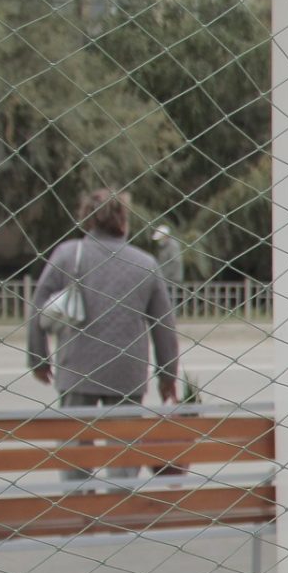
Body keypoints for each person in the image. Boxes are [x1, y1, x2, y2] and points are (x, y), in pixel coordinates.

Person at [26, 186, 180, 481]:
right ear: (123, 221)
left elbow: (38, 309)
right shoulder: (146, 265)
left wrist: (38, 359)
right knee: (124, 456)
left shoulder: (67, 255)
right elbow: (164, 327)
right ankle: (118, 517)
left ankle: (80, 513)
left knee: (75, 454)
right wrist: (167, 377)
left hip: (76, 368)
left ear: (87, 219)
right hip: (126, 374)